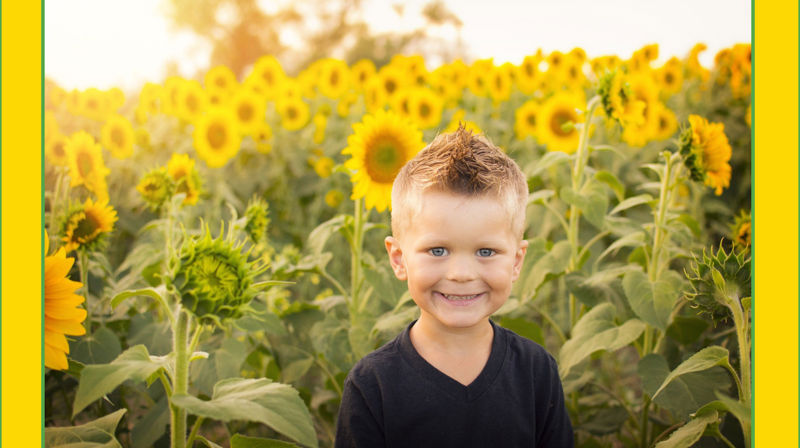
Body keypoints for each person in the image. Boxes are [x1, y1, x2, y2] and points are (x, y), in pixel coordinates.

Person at [334, 125, 574, 448]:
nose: (461, 273)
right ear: (398, 258)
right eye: (438, 250)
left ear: (516, 262)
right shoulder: (372, 386)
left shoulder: (536, 374)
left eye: (485, 252)